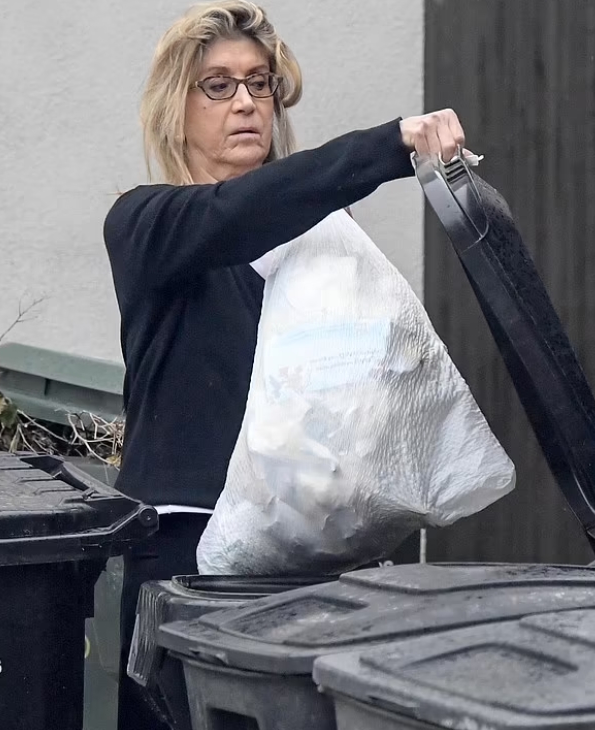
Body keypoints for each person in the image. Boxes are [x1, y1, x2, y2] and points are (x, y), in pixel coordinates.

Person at [103, 2, 466, 728]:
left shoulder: (326, 243)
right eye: (217, 85)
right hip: (190, 566)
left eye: (259, 83)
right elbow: (237, 213)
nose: (245, 102)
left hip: (315, 567)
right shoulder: (146, 224)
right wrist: (387, 145)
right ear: (176, 108)